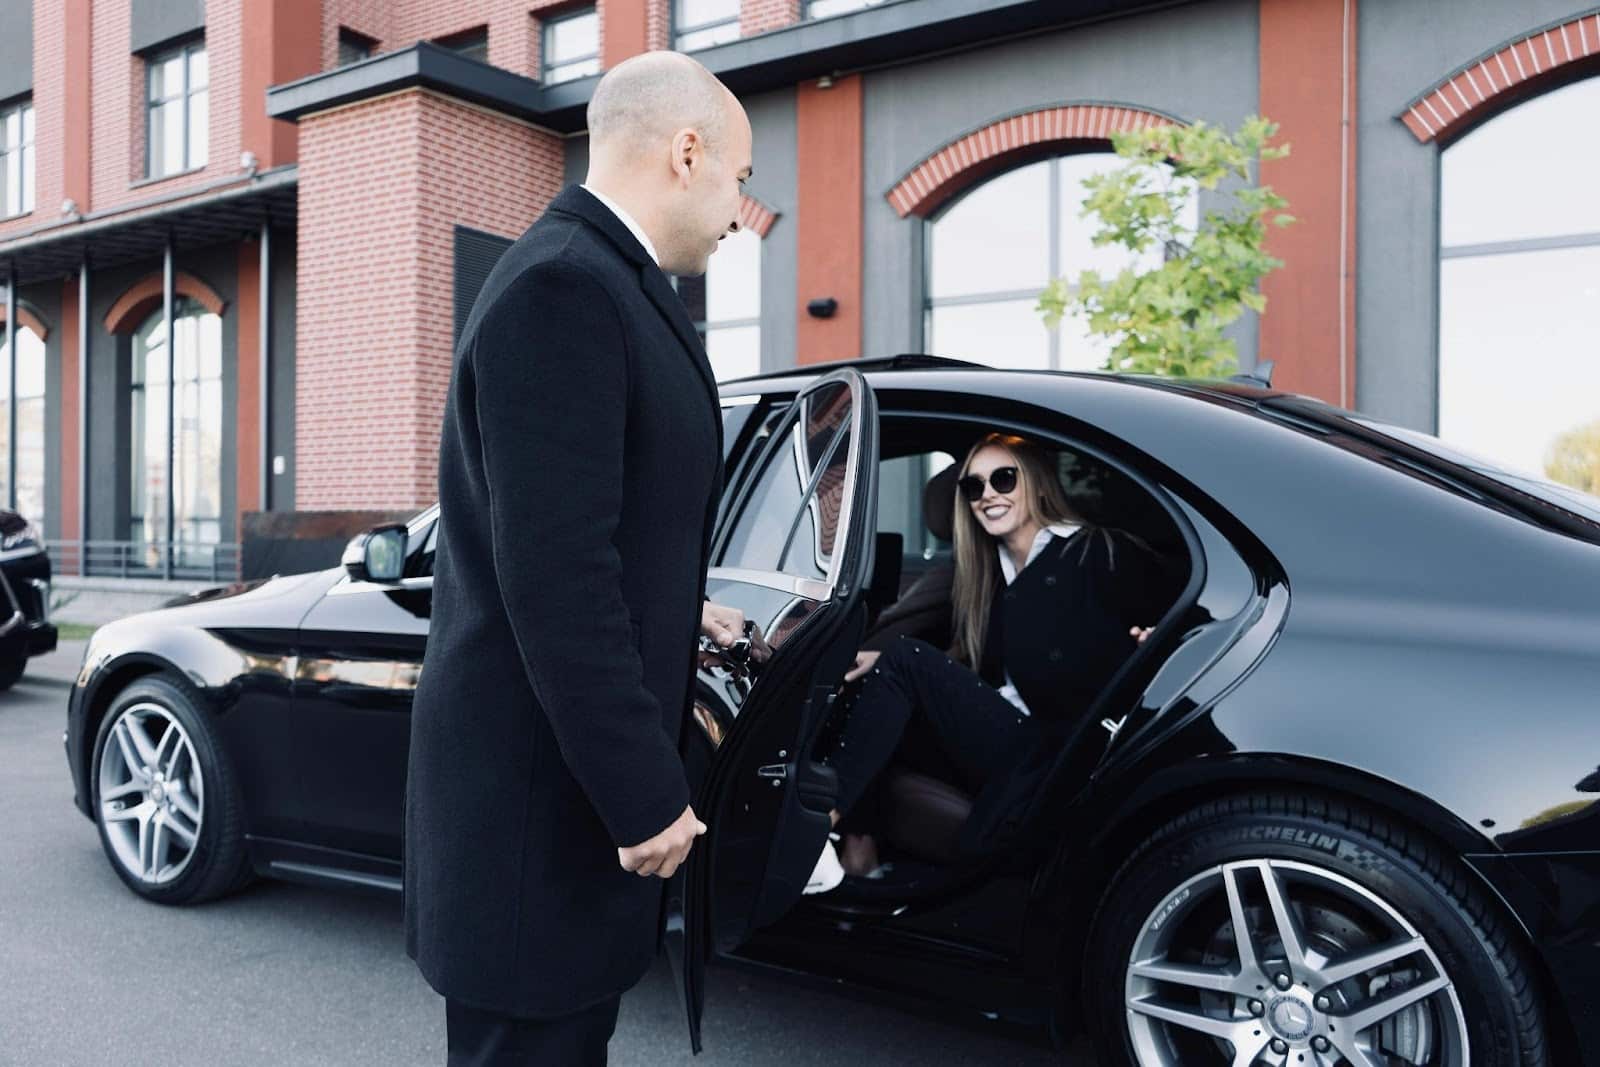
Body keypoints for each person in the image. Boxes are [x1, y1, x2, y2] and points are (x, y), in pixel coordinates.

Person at [404, 52, 755, 1065]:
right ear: (686, 152)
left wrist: (677, 610)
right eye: (738, 178)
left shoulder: (609, 282)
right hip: (536, 815)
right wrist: (643, 792)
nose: (739, 211)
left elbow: (600, 527)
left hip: (560, 809)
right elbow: (555, 575)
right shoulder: (565, 286)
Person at [805, 432, 1180, 891]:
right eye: (974, 487)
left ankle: (813, 833)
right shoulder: (984, 577)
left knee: (903, 661)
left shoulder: (1097, 550)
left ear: (1038, 485)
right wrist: (881, 661)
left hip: (1062, 752)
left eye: (1004, 479)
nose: (988, 495)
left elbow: (1182, 611)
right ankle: (857, 854)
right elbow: (975, 671)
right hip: (1014, 739)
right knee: (874, 683)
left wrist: (1153, 640)